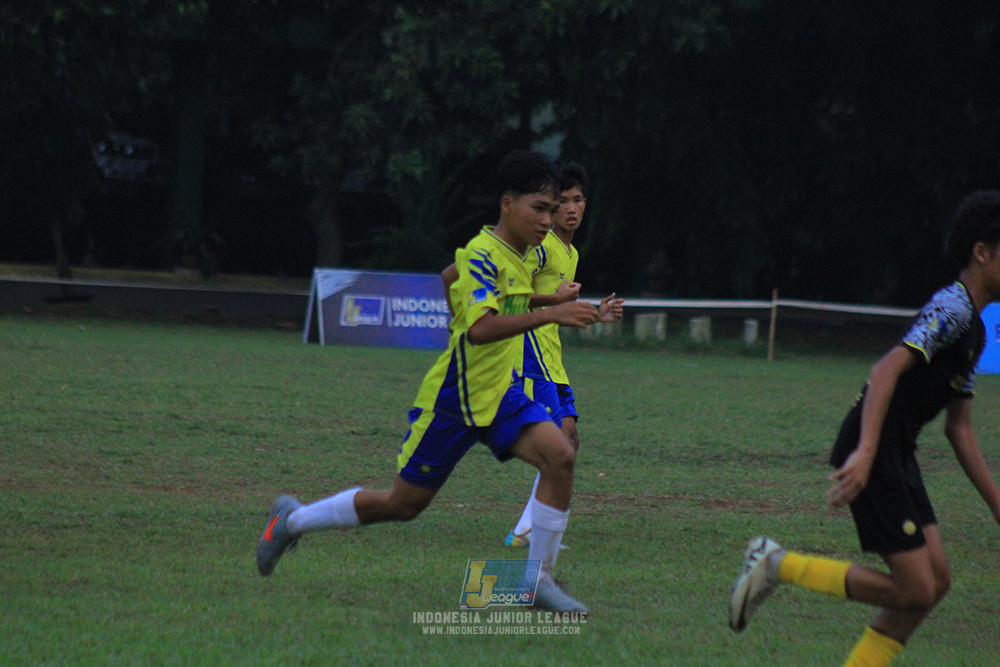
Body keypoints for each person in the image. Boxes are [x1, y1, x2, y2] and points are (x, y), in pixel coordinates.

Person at [256, 150, 601, 613]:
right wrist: (551, 312)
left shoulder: (526, 253)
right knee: (403, 504)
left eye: (552, 209)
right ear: (507, 204)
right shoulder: (483, 253)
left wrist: (542, 300)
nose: (548, 219)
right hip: (455, 399)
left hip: (501, 392)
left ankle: (535, 581)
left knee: (560, 456)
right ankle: (291, 521)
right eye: (539, 209)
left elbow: (451, 279)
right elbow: (479, 329)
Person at [728, 190, 1000, 667]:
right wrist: (867, 453)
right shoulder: (952, 309)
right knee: (915, 589)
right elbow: (884, 371)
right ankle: (776, 564)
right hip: (871, 448)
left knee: (935, 584)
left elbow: (961, 430)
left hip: (896, 453)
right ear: (983, 252)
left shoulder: (976, 331)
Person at [505, 162, 624, 547]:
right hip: (530, 353)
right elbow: (513, 293)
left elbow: (559, 308)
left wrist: (595, 314)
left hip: (552, 358)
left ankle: (528, 527)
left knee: (569, 441)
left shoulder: (569, 252)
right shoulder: (541, 248)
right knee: (557, 445)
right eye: (563, 203)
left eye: (578, 200)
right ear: (551, 209)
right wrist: (552, 300)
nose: (571, 209)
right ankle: (527, 531)